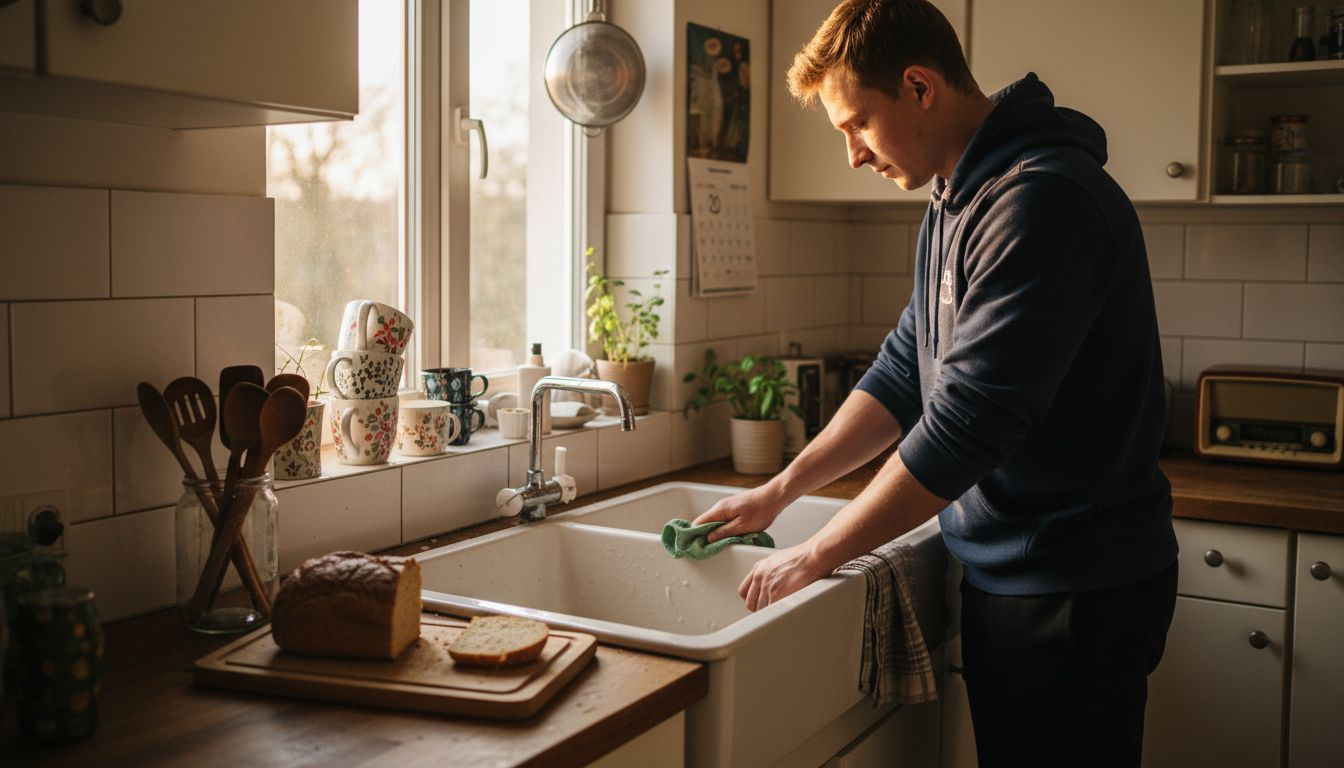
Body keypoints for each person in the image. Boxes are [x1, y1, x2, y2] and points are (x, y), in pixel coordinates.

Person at [690, 1, 1178, 765]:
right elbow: (904, 371)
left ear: (920, 88)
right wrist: (780, 490)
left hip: (1073, 587)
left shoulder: (1042, 199)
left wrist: (815, 553)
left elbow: (965, 424)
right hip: (1015, 574)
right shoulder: (955, 199)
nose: (851, 154)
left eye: (856, 125)